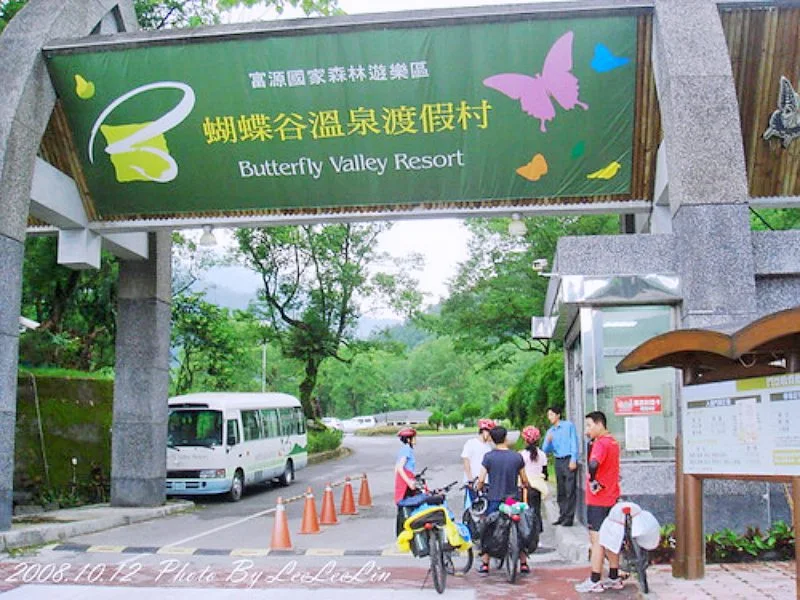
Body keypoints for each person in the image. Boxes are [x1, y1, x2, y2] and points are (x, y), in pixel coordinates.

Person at [574, 411, 623, 593]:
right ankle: (614, 576)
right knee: (611, 538)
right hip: (612, 497)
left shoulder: (601, 444)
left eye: (589, 425)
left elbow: (593, 464)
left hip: (598, 499)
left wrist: (593, 480)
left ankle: (595, 579)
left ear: (599, 424)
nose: (587, 430)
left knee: (597, 541)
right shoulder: (613, 442)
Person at [475, 426, 530, 576]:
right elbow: (524, 479)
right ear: (506, 438)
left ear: (492, 439)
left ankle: (485, 564)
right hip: (512, 499)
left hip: (494, 499)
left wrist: (479, 487)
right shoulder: (516, 457)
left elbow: (481, 479)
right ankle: (524, 563)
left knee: (489, 529)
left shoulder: (489, 457)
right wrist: (526, 485)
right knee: (519, 528)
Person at [541, 405, 579, 526]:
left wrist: (574, 459)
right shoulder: (550, 431)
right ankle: (562, 515)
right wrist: (548, 441)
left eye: (551, 414)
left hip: (568, 458)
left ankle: (569, 517)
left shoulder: (568, 426)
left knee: (570, 489)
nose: (550, 417)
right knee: (561, 489)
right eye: (548, 415)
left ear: (558, 415)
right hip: (558, 460)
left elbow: (574, 442)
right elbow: (545, 450)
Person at [460, 418, 495, 507]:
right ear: (483, 431)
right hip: (473, 482)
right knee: (472, 506)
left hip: (485, 482)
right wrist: (470, 479)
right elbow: (466, 461)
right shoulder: (471, 443)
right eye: (489, 432)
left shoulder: (488, 447)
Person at [519, 425, 548, 519]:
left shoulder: (522, 455)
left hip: (525, 487)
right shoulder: (542, 454)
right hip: (538, 487)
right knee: (536, 510)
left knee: (525, 511)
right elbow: (545, 472)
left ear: (525, 440)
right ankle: (537, 529)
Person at [394, 427, 418, 535]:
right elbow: (400, 467)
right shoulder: (407, 449)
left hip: (404, 482)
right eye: (414, 438)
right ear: (408, 439)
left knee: (404, 508)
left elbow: (396, 468)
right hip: (406, 484)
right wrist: (409, 482)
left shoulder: (405, 449)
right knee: (408, 507)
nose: (416, 440)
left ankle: (402, 533)